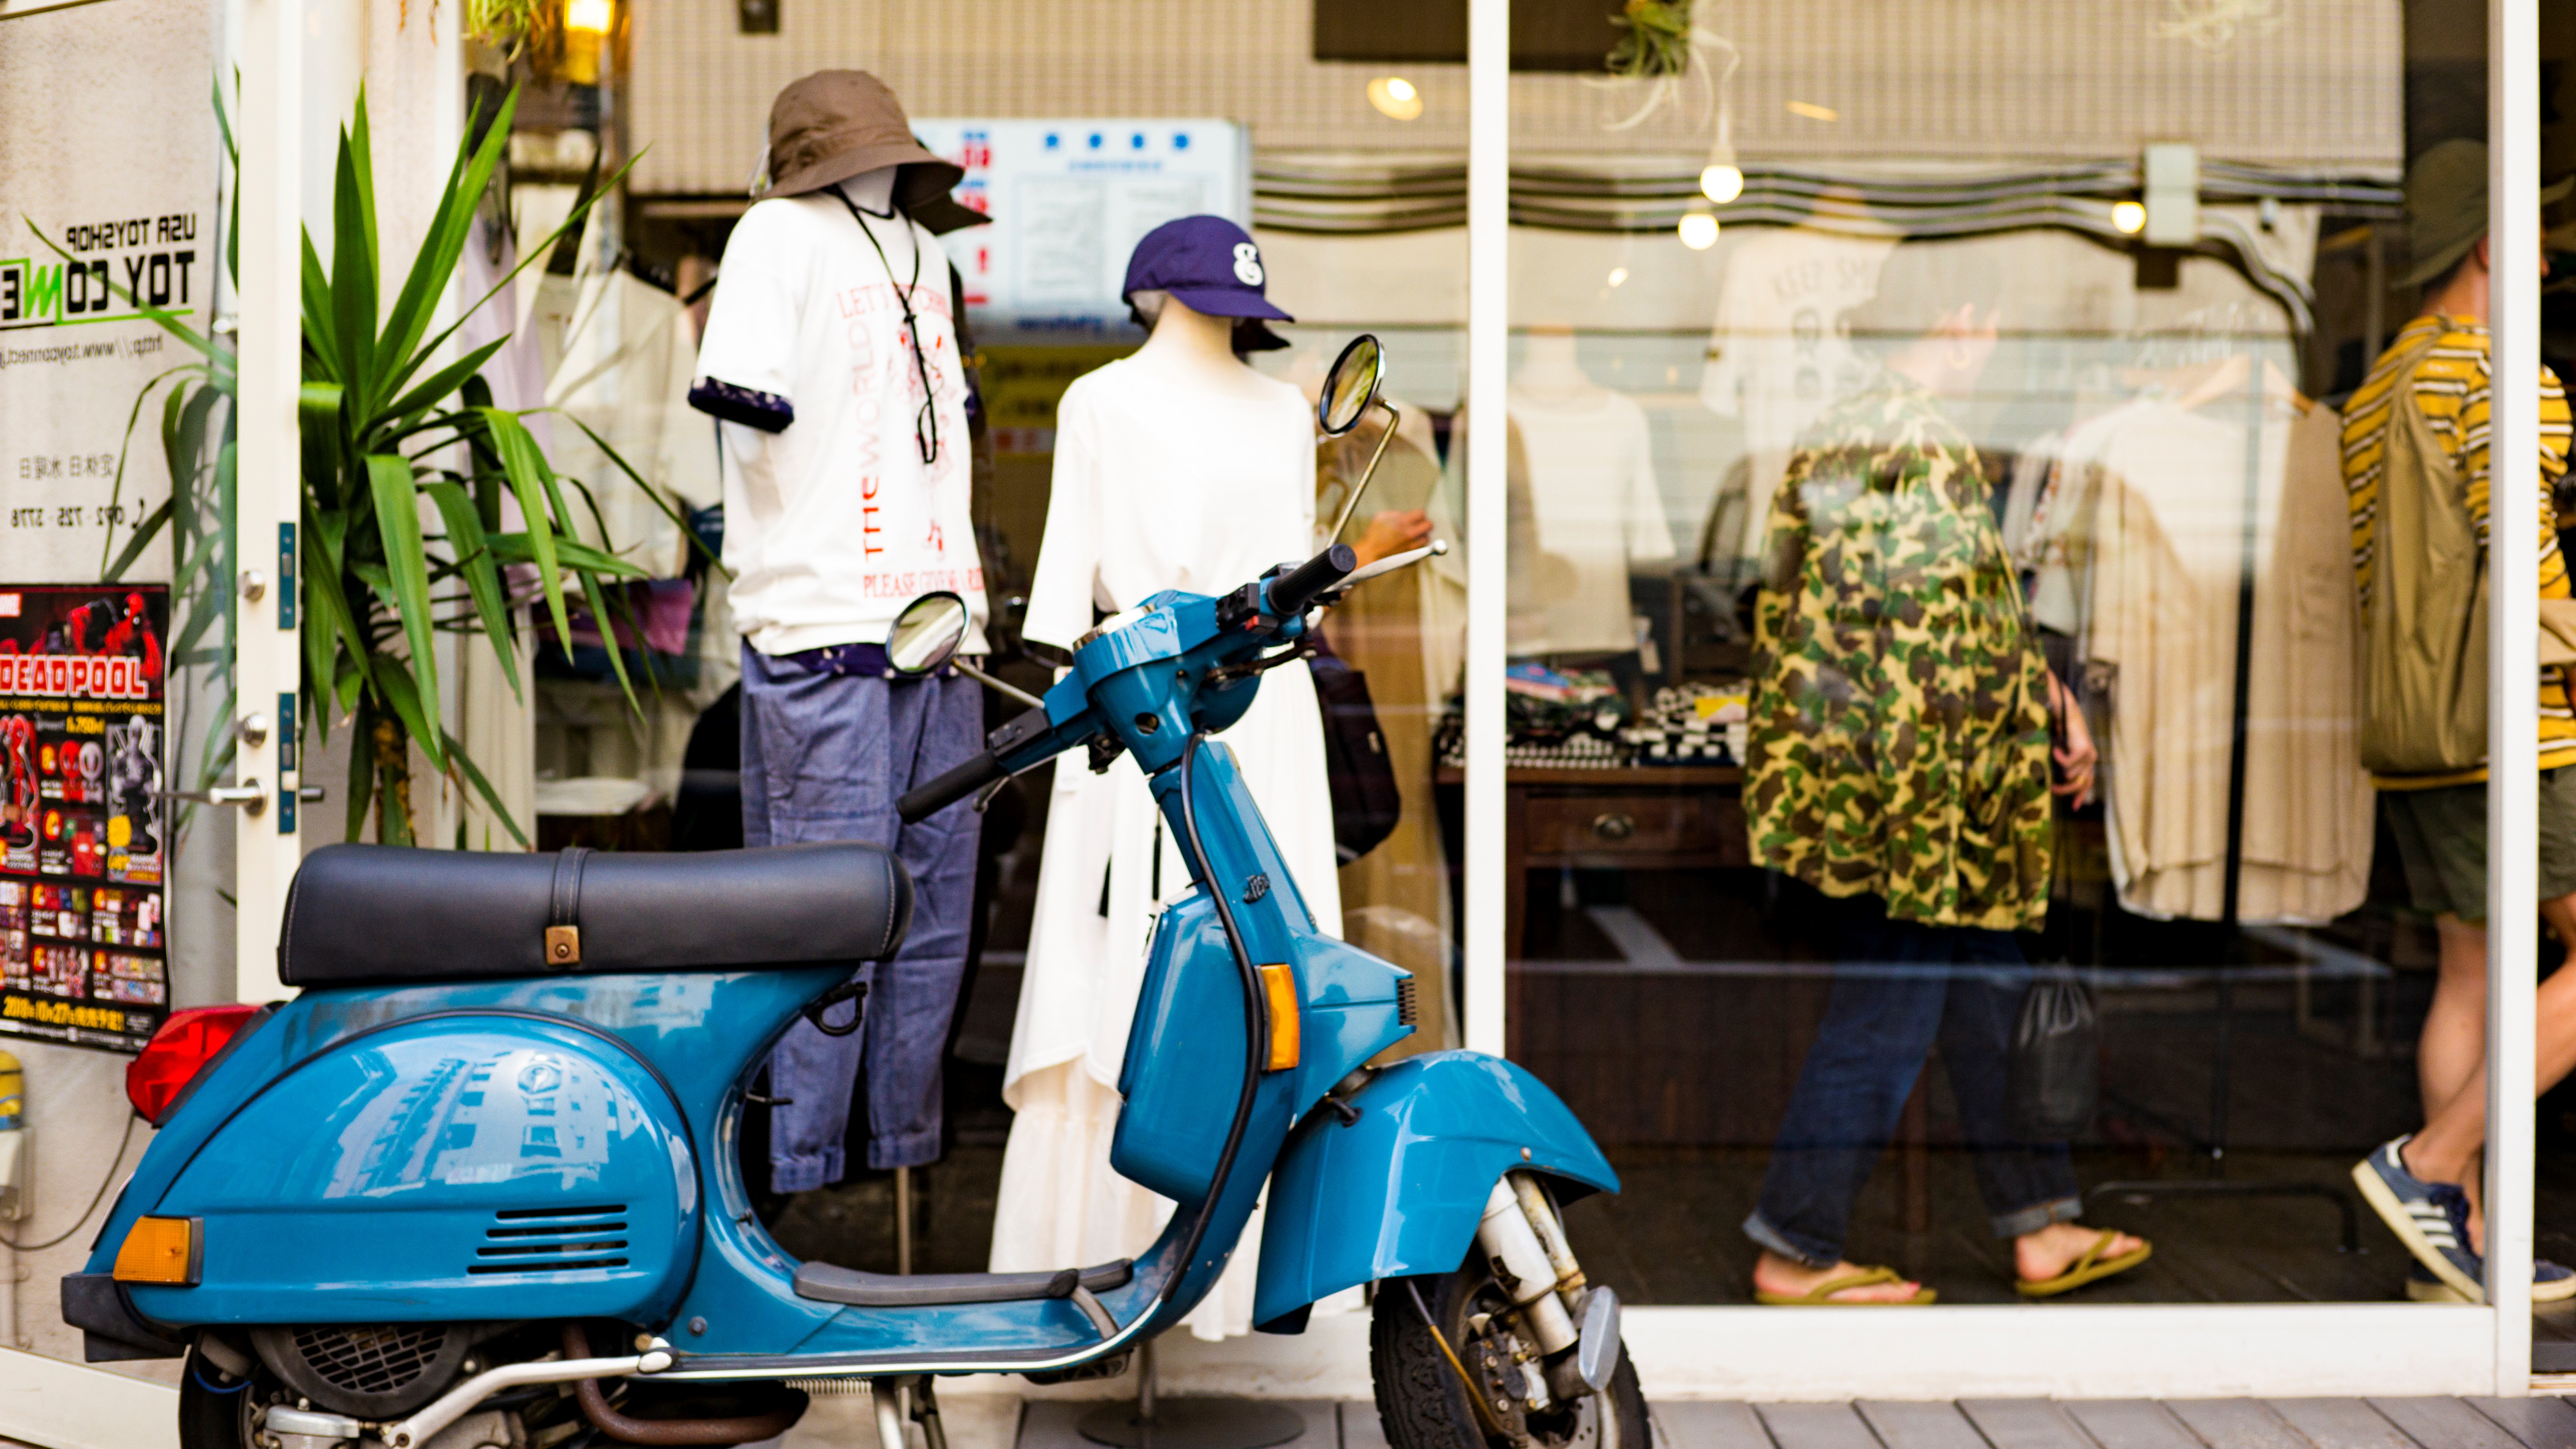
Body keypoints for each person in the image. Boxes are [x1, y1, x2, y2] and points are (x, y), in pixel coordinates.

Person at [1741, 265, 2148, 1305]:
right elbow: (1931, 644)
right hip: (1918, 799)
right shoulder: (1909, 436)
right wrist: (2034, 710)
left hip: (1897, 781)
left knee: (1984, 996)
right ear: (1962, 323)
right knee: (1887, 1009)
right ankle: (1794, 1245)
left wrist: (2044, 693)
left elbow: (1937, 617)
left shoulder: (1859, 425)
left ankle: (2041, 1223)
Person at [688, 70, 992, 1195]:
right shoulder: (795, 237)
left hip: (871, 621)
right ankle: (807, 1173)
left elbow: (753, 440)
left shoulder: (912, 252)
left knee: (846, 919)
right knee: (883, 917)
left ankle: (823, 1172)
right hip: (885, 626)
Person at [2343, 140, 2576, 1306]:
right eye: (2537, 241)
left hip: (2420, 734)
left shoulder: (2383, 382)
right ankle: (2429, 1164)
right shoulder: (2502, 371)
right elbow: (2529, 572)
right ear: (2492, 247)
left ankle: (2460, 1246)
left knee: (2473, 975)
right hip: (2518, 734)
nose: (2548, 262)